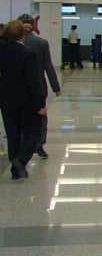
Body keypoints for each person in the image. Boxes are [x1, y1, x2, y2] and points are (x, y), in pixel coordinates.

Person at [0, 21, 47, 179]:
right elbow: (33, 81)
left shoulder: (2, 52)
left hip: (6, 100)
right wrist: (41, 104)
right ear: (22, 35)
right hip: (26, 101)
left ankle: (16, 169)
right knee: (33, 130)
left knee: (12, 133)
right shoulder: (27, 54)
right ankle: (20, 160)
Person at [19, 14, 61, 158]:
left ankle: (23, 144)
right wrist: (56, 87)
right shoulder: (41, 42)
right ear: (33, 25)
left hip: (18, 88)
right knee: (41, 116)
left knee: (21, 116)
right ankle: (39, 144)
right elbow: (48, 66)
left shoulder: (11, 43)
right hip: (38, 86)